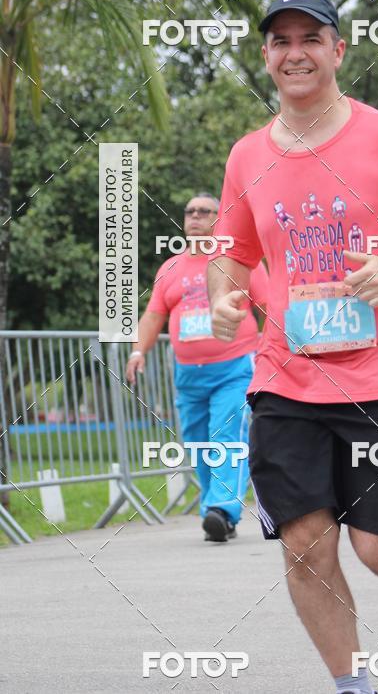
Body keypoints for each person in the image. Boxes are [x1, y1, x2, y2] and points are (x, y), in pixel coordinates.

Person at [208, 0, 378, 694]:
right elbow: (228, 253)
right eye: (280, 41)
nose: (295, 53)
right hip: (284, 378)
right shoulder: (247, 156)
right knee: (304, 546)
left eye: (310, 39)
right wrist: (222, 296)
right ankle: (353, 687)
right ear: (266, 56)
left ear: (337, 50)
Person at [126, 193, 269, 542]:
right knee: (198, 443)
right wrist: (136, 352)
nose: (195, 217)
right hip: (188, 372)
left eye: (204, 212)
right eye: (189, 212)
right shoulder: (170, 268)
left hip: (234, 367)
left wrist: (269, 348)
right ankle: (214, 511)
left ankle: (223, 509)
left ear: (220, 220)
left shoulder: (241, 262)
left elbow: (268, 305)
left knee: (226, 435)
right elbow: (154, 314)